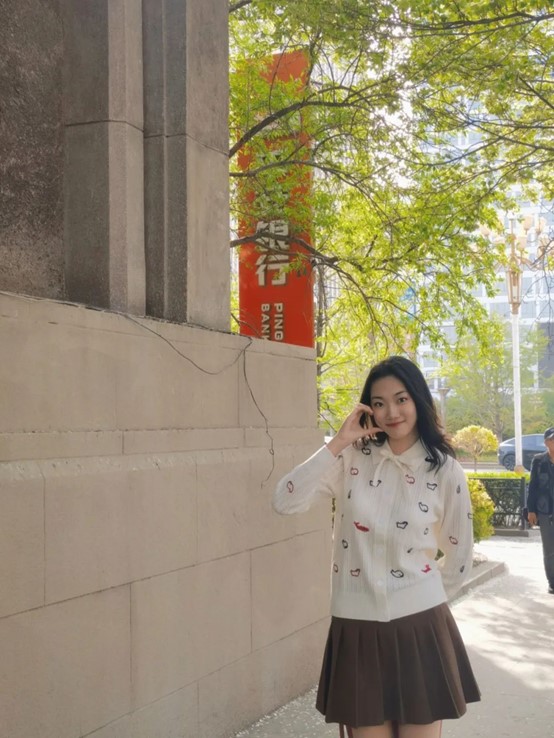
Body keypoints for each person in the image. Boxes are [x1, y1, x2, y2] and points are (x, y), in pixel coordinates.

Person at [273, 356, 480, 738]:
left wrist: (421, 602)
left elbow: (459, 557)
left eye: (401, 399)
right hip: (357, 631)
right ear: (368, 408)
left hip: (421, 628)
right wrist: (338, 441)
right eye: (379, 403)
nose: (391, 412)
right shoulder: (351, 457)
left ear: (418, 399)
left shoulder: (444, 470)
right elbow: (284, 500)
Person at [526, 426, 554, 594]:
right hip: (545, 511)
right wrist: (531, 510)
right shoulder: (538, 461)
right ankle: (552, 582)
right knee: (549, 549)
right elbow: (533, 487)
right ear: (547, 442)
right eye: (553, 439)